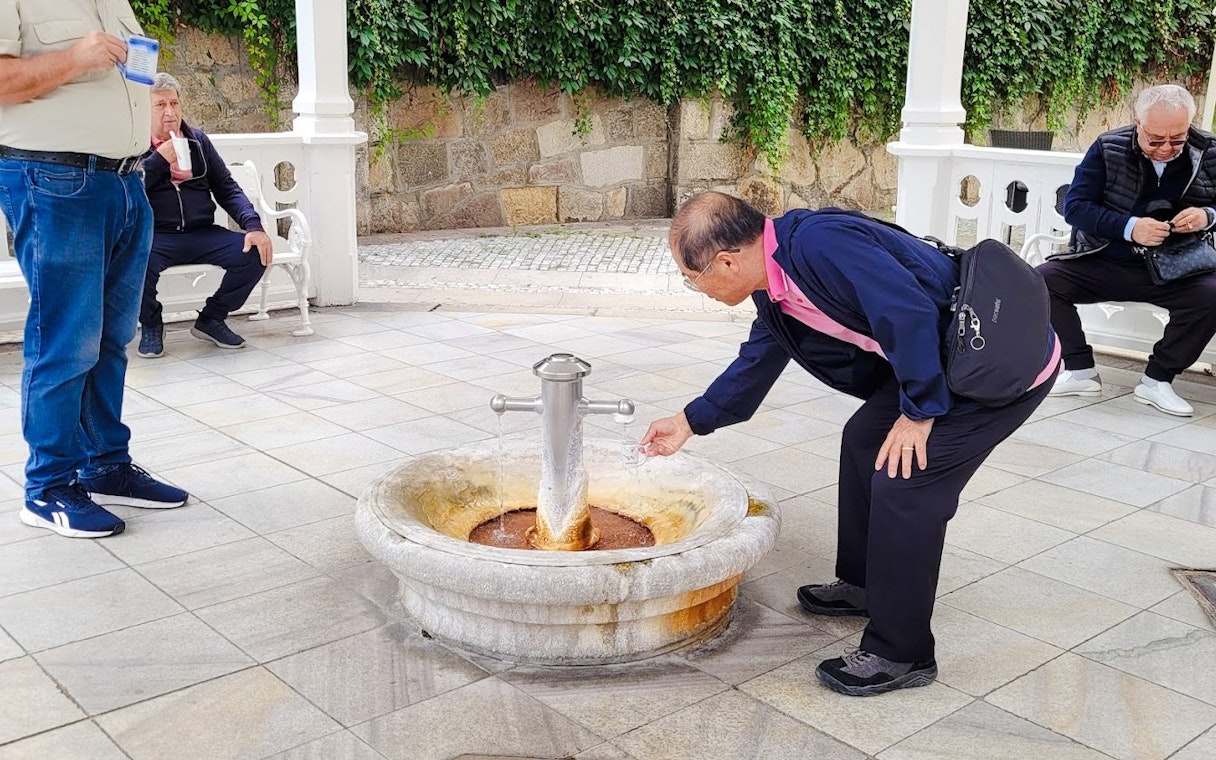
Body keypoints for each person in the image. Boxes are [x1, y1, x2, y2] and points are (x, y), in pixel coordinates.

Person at [640, 192, 1058, 696]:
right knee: (864, 441)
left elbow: (905, 311)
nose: (696, 289)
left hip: (990, 366)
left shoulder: (820, 246)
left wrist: (919, 411)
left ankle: (900, 652)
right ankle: (862, 585)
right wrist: (690, 420)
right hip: (939, 358)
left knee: (906, 483)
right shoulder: (772, 282)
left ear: (725, 261)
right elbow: (760, 357)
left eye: (692, 278)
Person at [0, 2, 188, 539]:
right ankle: (48, 486)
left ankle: (104, 464)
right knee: (66, 342)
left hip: (127, 180)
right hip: (53, 179)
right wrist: (75, 57)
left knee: (109, 338)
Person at [1040, 84, 1216, 417]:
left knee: (1212, 295)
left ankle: (1157, 380)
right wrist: (1130, 227)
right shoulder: (1108, 147)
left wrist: (1207, 216)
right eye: (1156, 139)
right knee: (1041, 281)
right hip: (1104, 259)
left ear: (1189, 127)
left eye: (1177, 139)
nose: (1166, 148)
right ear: (1138, 123)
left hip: (1178, 267)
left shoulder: (1210, 151)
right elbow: (1074, 207)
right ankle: (1079, 370)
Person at [136, 72, 272, 358]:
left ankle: (211, 318)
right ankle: (150, 323)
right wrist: (160, 160)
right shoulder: (134, 145)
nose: (170, 112)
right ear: (144, 109)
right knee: (132, 261)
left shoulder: (197, 140)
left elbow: (226, 187)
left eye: (174, 103)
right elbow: (130, 190)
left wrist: (253, 224)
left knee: (254, 252)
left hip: (202, 233)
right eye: (160, 105)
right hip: (157, 235)